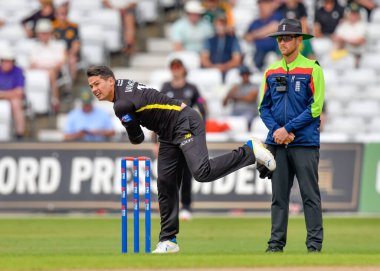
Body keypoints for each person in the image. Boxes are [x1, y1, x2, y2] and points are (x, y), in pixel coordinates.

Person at [86, 65, 276, 253]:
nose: (94, 90)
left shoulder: (121, 104)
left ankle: (249, 151)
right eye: (91, 86)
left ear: (110, 80)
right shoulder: (122, 86)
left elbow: (137, 139)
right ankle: (169, 240)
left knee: (202, 172)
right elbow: (151, 109)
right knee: (165, 183)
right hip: (167, 132)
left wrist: (129, 122)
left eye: (97, 84)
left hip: (184, 122)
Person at [258, 18, 325, 253]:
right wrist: (278, 131)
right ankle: (275, 245)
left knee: (310, 196)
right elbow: (263, 107)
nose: (283, 42)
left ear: (299, 40)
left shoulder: (313, 69)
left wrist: (288, 129)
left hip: (304, 143)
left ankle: (314, 246)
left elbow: (316, 108)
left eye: (287, 38)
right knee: (278, 198)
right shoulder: (270, 71)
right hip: (278, 144)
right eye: (280, 38)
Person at [158, 58, 207, 220]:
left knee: (187, 173)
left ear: (183, 69)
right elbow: (158, 113)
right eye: (173, 67)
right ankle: (171, 207)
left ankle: (186, 206)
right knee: (169, 173)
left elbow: (202, 108)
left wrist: (199, 131)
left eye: (178, 67)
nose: (176, 70)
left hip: (187, 135)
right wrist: (155, 140)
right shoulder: (165, 87)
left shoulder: (191, 88)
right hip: (168, 135)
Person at [29, 19, 67, 113]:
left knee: (51, 73)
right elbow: (33, 64)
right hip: (39, 72)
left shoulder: (59, 45)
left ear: (50, 33)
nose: (43, 35)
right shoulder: (34, 47)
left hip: (54, 71)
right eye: (41, 33)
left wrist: (47, 68)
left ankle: (55, 100)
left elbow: (60, 62)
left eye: (46, 33)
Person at [200, 13, 242, 81]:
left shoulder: (233, 40)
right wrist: (213, 67)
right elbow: (204, 59)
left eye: (222, 24)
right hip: (212, 69)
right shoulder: (209, 40)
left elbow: (236, 60)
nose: (220, 27)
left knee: (233, 75)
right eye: (218, 24)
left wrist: (224, 67)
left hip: (228, 70)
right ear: (214, 25)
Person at [244, 0, 283, 71]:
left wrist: (255, 35)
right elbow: (247, 37)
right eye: (260, 4)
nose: (262, 7)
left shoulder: (277, 15)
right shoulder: (255, 22)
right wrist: (264, 33)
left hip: (274, 51)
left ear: (271, 5)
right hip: (259, 53)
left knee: (272, 57)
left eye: (265, 4)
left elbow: (275, 26)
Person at [222, 65, 259, 131]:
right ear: (240, 75)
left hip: (249, 112)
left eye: (246, 74)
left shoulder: (254, 86)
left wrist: (235, 96)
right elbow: (224, 104)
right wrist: (229, 93)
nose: (245, 76)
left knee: (247, 119)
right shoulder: (235, 87)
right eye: (243, 74)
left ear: (249, 75)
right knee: (226, 121)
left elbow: (250, 98)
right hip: (235, 112)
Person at [0, 48, 26, 140]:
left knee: (16, 103)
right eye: (5, 61)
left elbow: (19, 92)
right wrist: (9, 93)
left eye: (10, 62)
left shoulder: (18, 71)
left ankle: (20, 134)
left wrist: (3, 94)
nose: (7, 64)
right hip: (8, 96)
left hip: (13, 98)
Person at [52, 1, 80, 81]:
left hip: (68, 53)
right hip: (56, 53)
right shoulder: (52, 27)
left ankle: (70, 86)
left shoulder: (73, 26)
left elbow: (76, 44)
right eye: (61, 14)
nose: (63, 17)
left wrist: (70, 54)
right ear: (56, 15)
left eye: (65, 14)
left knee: (72, 60)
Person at [333, 2, 367, 68]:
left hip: (358, 55)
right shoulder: (343, 25)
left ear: (359, 14)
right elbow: (336, 38)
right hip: (343, 53)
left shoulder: (363, 26)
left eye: (355, 13)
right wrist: (349, 41)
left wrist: (344, 40)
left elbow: (360, 41)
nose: (353, 15)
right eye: (352, 13)